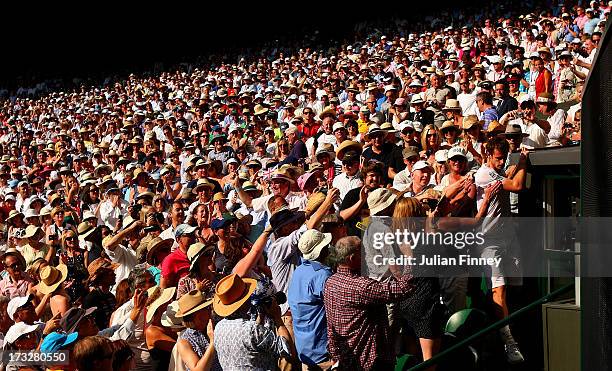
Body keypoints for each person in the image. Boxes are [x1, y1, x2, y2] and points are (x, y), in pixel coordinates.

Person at [474, 137, 529, 364]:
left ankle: (506, 326)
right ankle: (508, 340)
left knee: (515, 286)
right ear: (488, 155)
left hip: (508, 238)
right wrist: (523, 161)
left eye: (503, 158)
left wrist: (513, 163)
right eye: (497, 158)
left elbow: (507, 175)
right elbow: (516, 185)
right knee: (500, 289)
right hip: (489, 241)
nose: (501, 162)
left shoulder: (498, 170)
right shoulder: (484, 174)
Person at [323, 236, 414, 369]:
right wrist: (409, 257)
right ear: (352, 258)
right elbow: (404, 288)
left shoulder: (330, 282)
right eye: (364, 252)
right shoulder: (361, 286)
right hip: (370, 360)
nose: (368, 256)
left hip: (347, 358)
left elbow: (331, 323)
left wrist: (334, 353)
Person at [213, 274, 295, 370]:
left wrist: (261, 316)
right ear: (243, 303)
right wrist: (278, 318)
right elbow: (287, 350)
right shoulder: (251, 330)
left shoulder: (218, 328)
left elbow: (252, 344)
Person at [287, 230, 334, 370]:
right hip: (322, 354)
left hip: (305, 351)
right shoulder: (322, 275)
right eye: (326, 246)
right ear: (321, 251)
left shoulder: (298, 272)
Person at [175, 290, 221, 371]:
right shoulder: (184, 342)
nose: (210, 310)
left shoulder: (216, 325)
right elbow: (198, 369)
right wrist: (212, 342)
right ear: (198, 316)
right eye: (207, 308)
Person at [145, 286, 178, 371]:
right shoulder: (152, 331)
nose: (171, 302)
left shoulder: (168, 324)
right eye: (168, 301)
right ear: (160, 307)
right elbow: (178, 348)